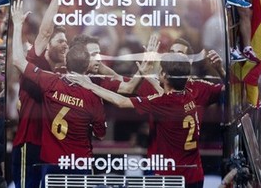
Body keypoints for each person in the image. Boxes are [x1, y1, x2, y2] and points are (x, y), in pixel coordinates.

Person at [69, 53, 205, 188]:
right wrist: (145, 75)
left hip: (173, 179)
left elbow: (122, 102)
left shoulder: (164, 102)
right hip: (195, 174)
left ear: (163, 75)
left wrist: (89, 85)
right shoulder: (187, 94)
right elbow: (163, 92)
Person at [11, 0, 107, 181]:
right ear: (48, 45)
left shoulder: (60, 77)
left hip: (53, 151)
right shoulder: (37, 63)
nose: (65, 45)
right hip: (30, 143)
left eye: (67, 42)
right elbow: (45, 33)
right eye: (61, 41)